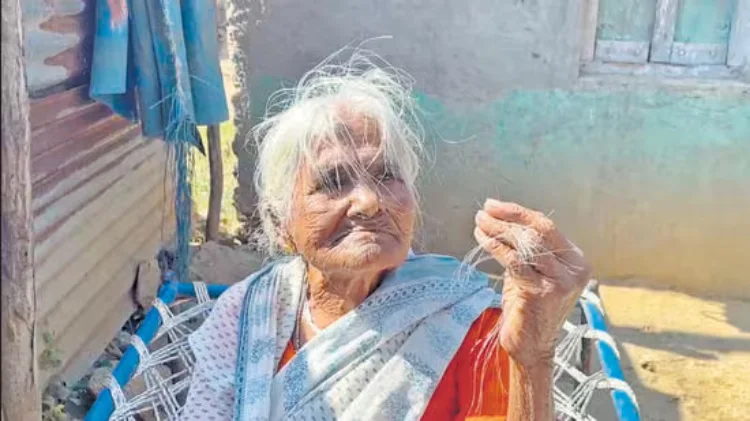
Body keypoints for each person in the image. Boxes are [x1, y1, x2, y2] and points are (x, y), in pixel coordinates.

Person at [182, 51, 591, 421]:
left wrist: (532, 359)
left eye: (386, 175)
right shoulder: (246, 317)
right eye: (334, 181)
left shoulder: (467, 323)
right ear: (281, 223)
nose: (368, 201)